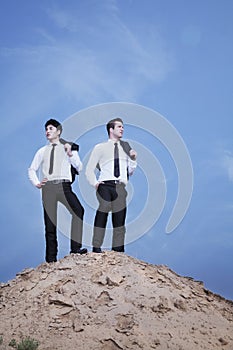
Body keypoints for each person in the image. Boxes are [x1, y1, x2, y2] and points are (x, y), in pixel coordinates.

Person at [28, 119, 87, 263]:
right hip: (48, 188)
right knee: (50, 223)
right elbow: (31, 169)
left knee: (78, 211)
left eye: (51, 128)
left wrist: (70, 154)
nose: (47, 131)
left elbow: (79, 167)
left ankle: (75, 249)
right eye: (46, 129)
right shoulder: (42, 151)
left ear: (58, 131)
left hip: (64, 186)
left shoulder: (69, 148)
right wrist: (37, 183)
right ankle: (51, 259)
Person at [85, 117, 137, 253]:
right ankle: (96, 246)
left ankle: (118, 250)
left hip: (120, 187)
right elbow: (89, 169)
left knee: (119, 218)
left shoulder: (126, 147)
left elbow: (130, 172)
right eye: (119, 126)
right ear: (111, 129)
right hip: (105, 185)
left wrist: (133, 159)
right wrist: (95, 183)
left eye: (123, 127)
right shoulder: (100, 147)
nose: (122, 129)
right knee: (104, 207)